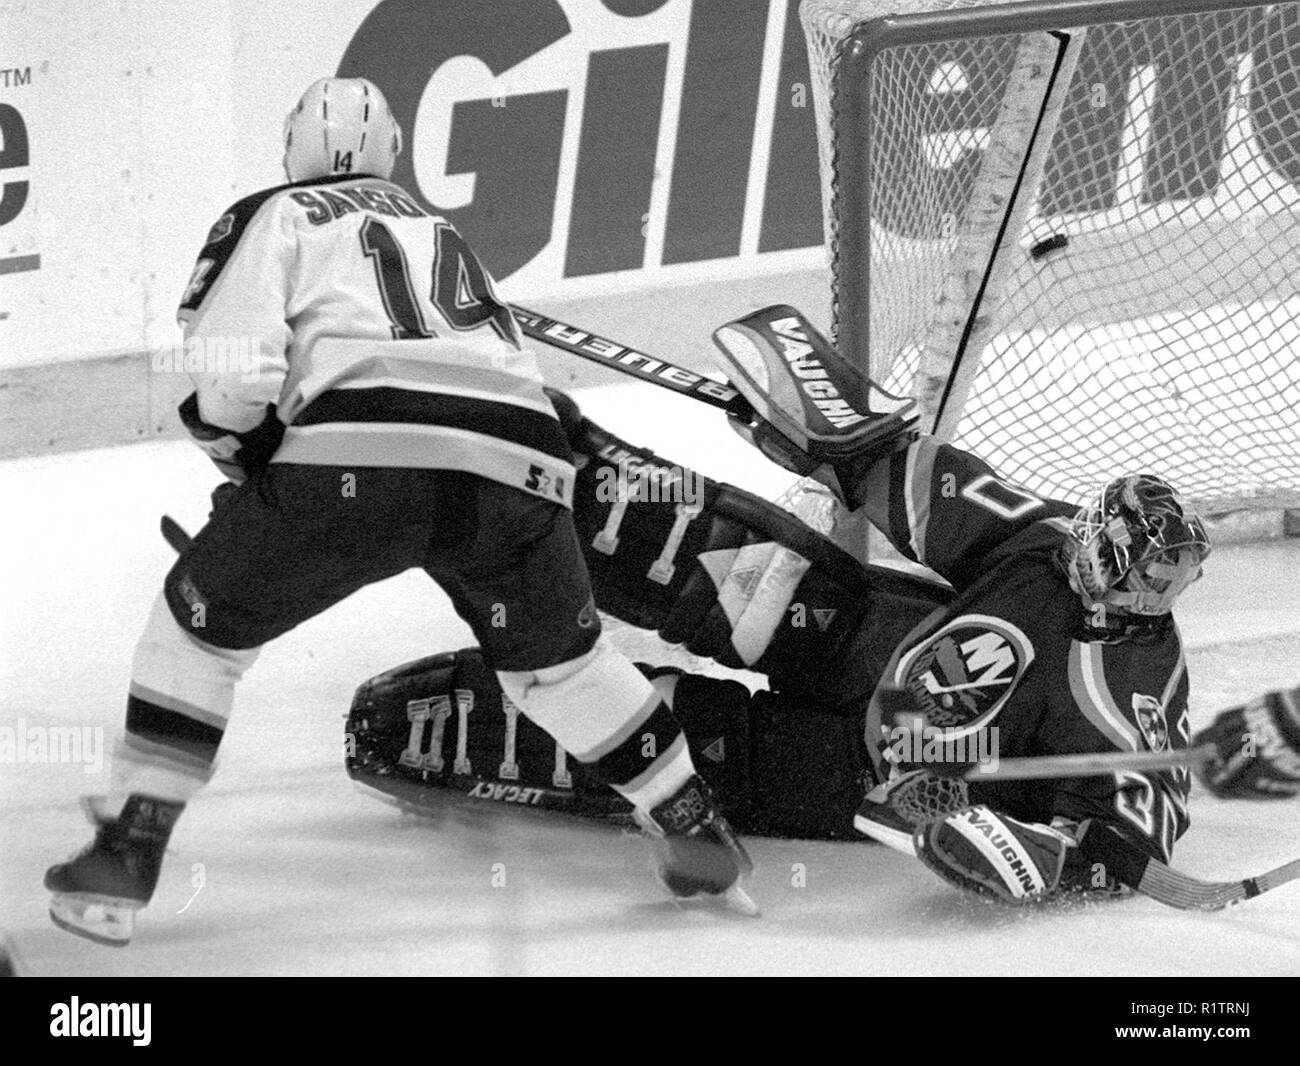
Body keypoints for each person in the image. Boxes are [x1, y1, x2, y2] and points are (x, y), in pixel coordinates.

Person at [45, 78, 753, 947]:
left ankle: (126, 853)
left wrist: (248, 468)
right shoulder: (441, 232)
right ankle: (696, 833)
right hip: (521, 466)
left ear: (291, 148)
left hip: (359, 455)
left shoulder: (276, 214)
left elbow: (233, 379)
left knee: (196, 631)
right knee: (562, 667)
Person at [350, 305, 1216, 905]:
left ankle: (488, 725)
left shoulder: (1138, 686)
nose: (1147, 590)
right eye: (1134, 564)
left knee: (646, 745)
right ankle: (504, 447)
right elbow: (914, 483)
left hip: (844, 774)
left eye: (1164, 579)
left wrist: (1037, 855)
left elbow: (1133, 836)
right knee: (669, 529)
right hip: (844, 631)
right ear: (1096, 534)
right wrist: (826, 440)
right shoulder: (1043, 535)